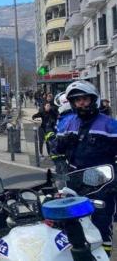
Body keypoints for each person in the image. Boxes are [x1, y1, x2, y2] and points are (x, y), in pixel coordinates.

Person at [48, 81, 117, 256]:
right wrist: (60, 145)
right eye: (77, 100)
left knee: (101, 226)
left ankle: (103, 256)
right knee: (71, 224)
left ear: (93, 99)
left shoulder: (109, 124)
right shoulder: (68, 123)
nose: (81, 103)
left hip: (102, 185)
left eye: (84, 99)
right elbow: (56, 150)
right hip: (74, 181)